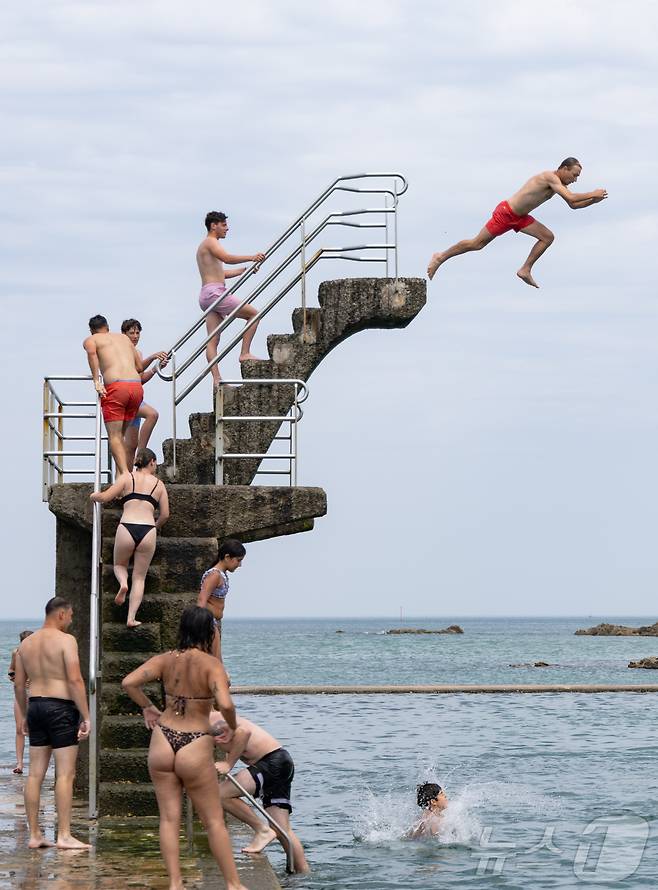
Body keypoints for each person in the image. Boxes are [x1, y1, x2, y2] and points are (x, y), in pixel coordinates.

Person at [121, 606, 249, 890]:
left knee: (168, 818)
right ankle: (234, 884)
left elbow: (129, 682)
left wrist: (149, 708)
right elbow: (226, 704)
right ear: (209, 632)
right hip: (195, 741)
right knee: (214, 820)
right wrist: (232, 726)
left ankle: (175, 884)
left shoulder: (166, 659)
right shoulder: (212, 665)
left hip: (164, 738)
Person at [427, 158, 608, 288]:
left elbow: (572, 205)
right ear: (564, 168)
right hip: (507, 213)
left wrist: (593, 201)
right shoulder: (550, 177)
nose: (575, 180)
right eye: (574, 175)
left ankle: (525, 269)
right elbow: (571, 197)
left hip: (520, 217)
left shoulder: (560, 184)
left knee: (547, 237)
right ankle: (440, 257)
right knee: (477, 244)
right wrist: (593, 193)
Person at [13, 597, 91, 850]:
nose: (70, 621)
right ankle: (64, 835)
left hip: (35, 706)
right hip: (61, 708)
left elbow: (18, 684)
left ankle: (35, 835)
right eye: (70, 616)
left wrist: (25, 715)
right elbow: (76, 680)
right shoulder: (66, 641)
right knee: (66, 774)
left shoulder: (26, 644)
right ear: (61, 614)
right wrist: (86, 716)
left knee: (35, 773)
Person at [212, 712, 309, 873]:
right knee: (281, 828)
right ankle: (302, 874)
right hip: (281, 761)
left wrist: (229, 764)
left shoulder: (212, 719)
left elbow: (244, 732)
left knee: (219, 794)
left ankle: (261, 831)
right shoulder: (210, 719)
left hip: (271, 762)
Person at [90, 447, 169, 627]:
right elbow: (165, 514)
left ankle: (123, 583)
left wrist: (94, 495)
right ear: (152, 462)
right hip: (148, 530)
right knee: (140, 577)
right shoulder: (159, 485)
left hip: (127, 526)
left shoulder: (127, 477)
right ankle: (131, 618)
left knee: (119, 564)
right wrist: (154, 527)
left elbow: (105, 497)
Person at [196, 211, 266, 390]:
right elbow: (227, 259)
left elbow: (221, 273)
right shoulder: (211, 242)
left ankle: (217, 379)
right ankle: (244, 353)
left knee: (213, 340)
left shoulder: (207, 246)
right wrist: (252, 256)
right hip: (215, 293)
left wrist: (244, 270)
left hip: (207, 293)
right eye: (224, 225)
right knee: (254, 315)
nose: (227, 228)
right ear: (214, 225)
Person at [82, 315, 144, 476]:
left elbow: (92, 355)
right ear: (108, 327)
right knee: (120, 436)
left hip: (117, 388)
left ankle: (124, 475)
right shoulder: (124, 339)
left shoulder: (91, 340)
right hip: (136, 388)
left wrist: (97, 381)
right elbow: (139, 366)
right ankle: (119, 477)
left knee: (114, 437)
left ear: (91, 330)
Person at [120, 318, 169, 470]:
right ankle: (141, 456)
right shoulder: (122, 351)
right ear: (123, 334)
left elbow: (140, 378)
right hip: (127, 399)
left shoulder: (138, 352)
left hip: (136, 398)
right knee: (152, 414)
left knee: (131, 447)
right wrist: (153, 356)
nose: (135, 336)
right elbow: (138, 368)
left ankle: (128, 478)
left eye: (137, 333)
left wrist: (155, 368)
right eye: (131, 333)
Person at [197, 539, 246, 660]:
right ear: (227, 557)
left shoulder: (222, 574)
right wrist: (202, 628)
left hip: (215, 623)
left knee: (214, 661)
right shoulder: (214, 575)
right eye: (238, 560)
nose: (240, 565)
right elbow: (201, 601)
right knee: (216, 662)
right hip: (209, 623)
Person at [8, 630, 33, 775]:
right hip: (20, 693)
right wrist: (15, 677)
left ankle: (37, 763)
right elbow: (11, 670)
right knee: (19, 729)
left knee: (35, 729)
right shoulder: (16, 653)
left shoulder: (40, 654)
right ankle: (19, 764)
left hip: (36, 693)